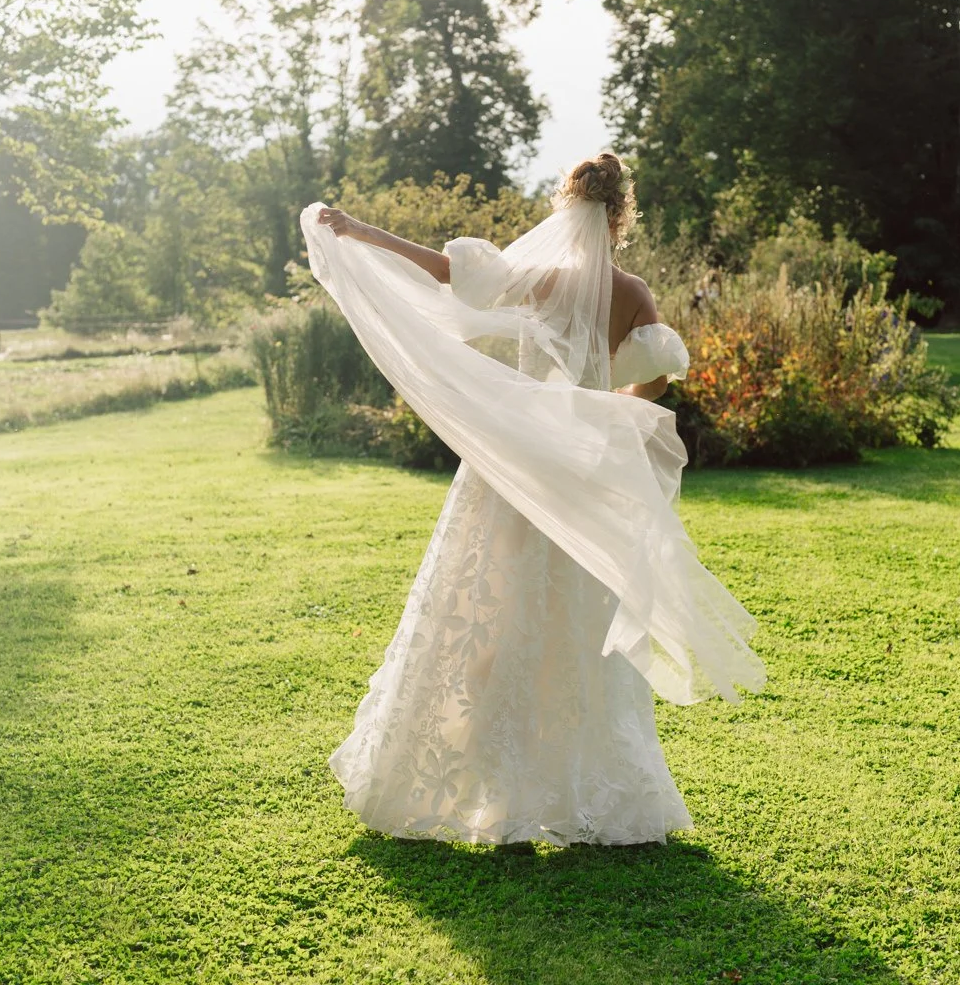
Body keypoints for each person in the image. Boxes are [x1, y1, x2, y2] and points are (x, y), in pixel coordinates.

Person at [306, 153, 763, 846]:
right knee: (578, 625)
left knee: (487, 605)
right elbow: (659, 377)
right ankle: (584, 789)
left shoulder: (541, 280)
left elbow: (445, 273)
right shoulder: (634, 292)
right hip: (582, 466)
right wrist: (613, 406)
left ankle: (476, 777)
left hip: (515, 465)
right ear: (620, 218)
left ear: (565, 207)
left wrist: (361, 230)